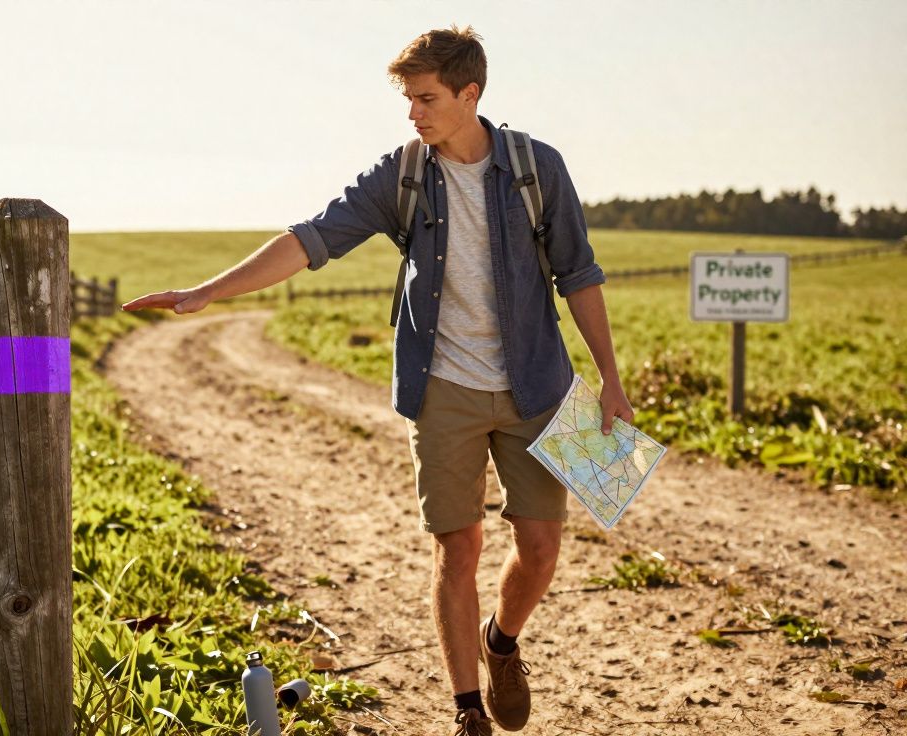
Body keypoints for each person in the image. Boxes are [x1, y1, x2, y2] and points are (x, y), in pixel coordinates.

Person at [122, 25, 634, 736]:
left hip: (537, 385)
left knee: (541, 547)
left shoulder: (535, 169)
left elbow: (579, 275)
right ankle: (466, 711)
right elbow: (311, 239)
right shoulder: (402, 174)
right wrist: (208, 292)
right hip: (442, 389)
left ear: (470, 94)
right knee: (458, 548)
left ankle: (502, 642)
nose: (413, 114)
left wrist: (610, 378)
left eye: (426, 98)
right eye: (408, 99)